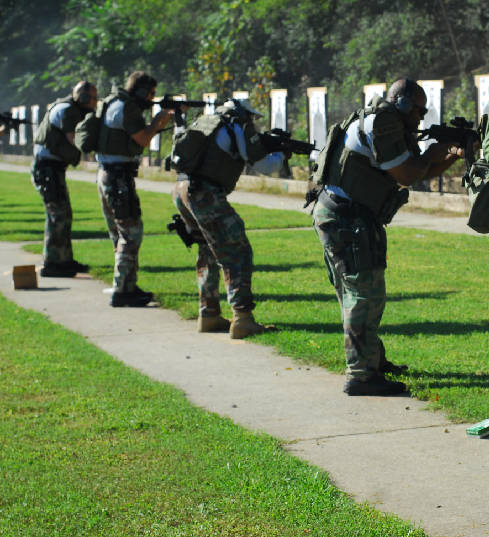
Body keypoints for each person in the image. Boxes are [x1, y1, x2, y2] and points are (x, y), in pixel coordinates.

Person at [311, 78, 463, 396]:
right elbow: (408, 173)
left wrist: (446, 159)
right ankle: (361, 375)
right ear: (404, 104)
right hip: (346, 216)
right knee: (363, 295)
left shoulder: (386, 121)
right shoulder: (383, 122)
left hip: (346, 214)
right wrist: (432, 153)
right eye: (419, 110)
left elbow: (412, 173)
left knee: (362, 294)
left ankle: (371, 362)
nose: (422, 117)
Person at [171, 99, 286, 339]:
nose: (253, 122)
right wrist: (281, 154)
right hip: (204, 192)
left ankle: (209, 314)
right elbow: (264, 165)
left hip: (182, 188)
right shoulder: (237, 124)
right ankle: (243, 319)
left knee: (208, 250)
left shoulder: (206, 120)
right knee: (237, 252)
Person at [95, 71, 174, 307]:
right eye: (150, 94)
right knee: (131, 232)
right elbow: (142, 139)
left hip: (108, 173)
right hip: (118, 176)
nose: (151, 98)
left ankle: (128, 285)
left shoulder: (114, 102)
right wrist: (160, 120)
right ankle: (122, 291)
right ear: (140, 91)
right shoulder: (127, 108)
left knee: (121, 233)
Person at [30, 81, 98, 277]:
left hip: (51, 168)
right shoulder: (68, 111)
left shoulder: (68, 107)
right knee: (57, 215)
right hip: (48, 169)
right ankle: (52, 263)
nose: (91, 101)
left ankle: (64, 260)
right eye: (88, 97)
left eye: (93, 97)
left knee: (63, 214)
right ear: (79, 96)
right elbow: (75, 139)